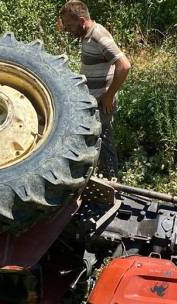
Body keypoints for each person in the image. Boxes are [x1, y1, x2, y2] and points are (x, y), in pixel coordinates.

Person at [58, 0, 131, 178]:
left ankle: (112, 180)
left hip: (102, 101)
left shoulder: (98, 35)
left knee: (104, 141)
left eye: (69, 25)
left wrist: (109, 96)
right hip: (93, 100)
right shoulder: (86, 34)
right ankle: (96, 177)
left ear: (82, 21)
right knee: (93, 140)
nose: (67, 29)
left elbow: (124, 65)